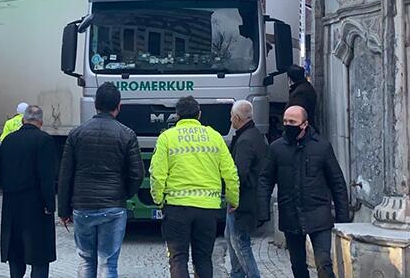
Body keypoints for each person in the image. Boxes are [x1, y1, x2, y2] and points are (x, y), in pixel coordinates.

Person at [58, 83, 144, 278]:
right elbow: (137, 173)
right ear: (119, 106)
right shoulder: (127, 134)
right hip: (113, 206)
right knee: (108, 262)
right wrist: (123, 194)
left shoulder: (76, 133)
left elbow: (65, 175)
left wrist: (63, 210)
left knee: (86, 259)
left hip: (83, 205)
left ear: (95, 104)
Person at [150, 96, 239, 278]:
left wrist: (159, 200)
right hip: (208, 209)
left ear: (176, 115)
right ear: (199, 115)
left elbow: (157, 174)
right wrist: (233, 199)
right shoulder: (215, 137)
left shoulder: (167, 138)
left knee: (178, 257)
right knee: (204, 258)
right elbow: (230, 172)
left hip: (176, 208)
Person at [257, 105, 350, 278]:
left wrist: (342, 217)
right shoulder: (276, 148)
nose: (287, 124)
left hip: (319, 214)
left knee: (324, 263)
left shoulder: (322, 147)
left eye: (292, 121)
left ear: (304, 124)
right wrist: (263, 211)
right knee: (298, 265)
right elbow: (265, 179)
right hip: (290, 215)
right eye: (285, 121)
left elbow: (337, 182)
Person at [0, 106, 57, 278]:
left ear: (23, 119)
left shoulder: (8, 140)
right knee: (39, 255)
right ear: (41, 121)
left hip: (11, 205)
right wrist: (49, 204)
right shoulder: (44, 140)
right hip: (35, 205)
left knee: (15, 253)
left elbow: (2, 172)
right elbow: (46, 176)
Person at [225, 100, 267, 278]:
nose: (230, 121)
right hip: (249, 197)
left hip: (243, 200)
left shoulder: (244, 141)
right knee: (230, 238)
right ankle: (236, 274)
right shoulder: (255, 135)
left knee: (240, 242)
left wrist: (233, 198)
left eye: (231, 117)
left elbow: (239, 174)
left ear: (236, 117)